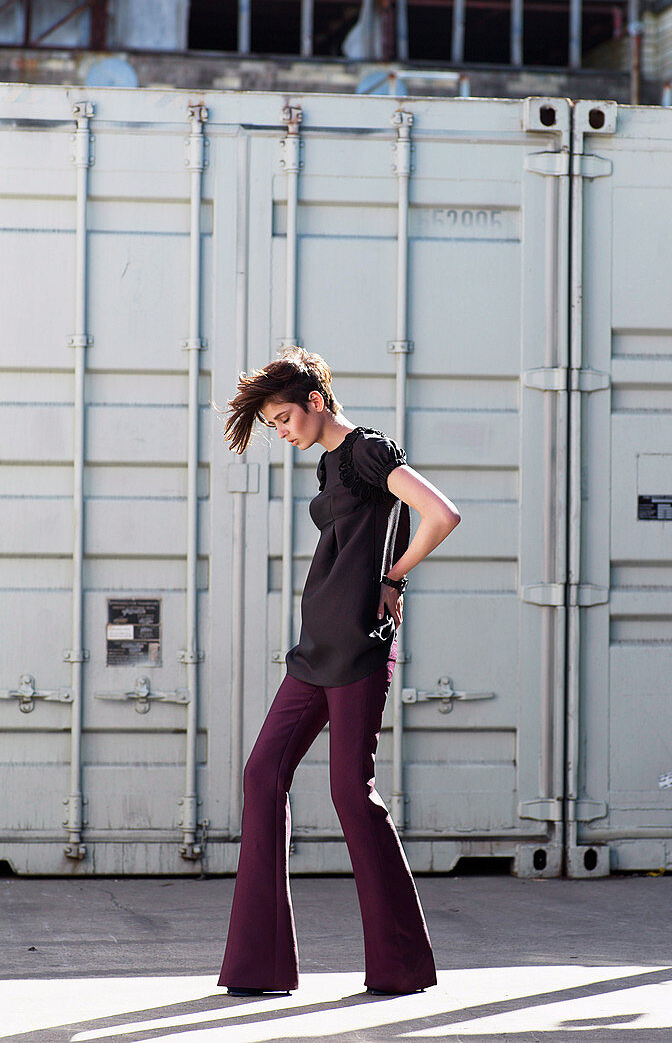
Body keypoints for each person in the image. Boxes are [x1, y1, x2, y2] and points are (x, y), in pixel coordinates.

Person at [217, 346, 461, 999]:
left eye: (284, 419)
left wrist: (394, 577)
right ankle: (260, 966)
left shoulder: (366, 450)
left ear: (316, 403)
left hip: (355, 647)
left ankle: (402, 965)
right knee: (262, 772)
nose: (283, 432)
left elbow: (441, 514)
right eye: (272, 425)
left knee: (352, 793)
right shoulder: (331, 461)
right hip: (315, 648)